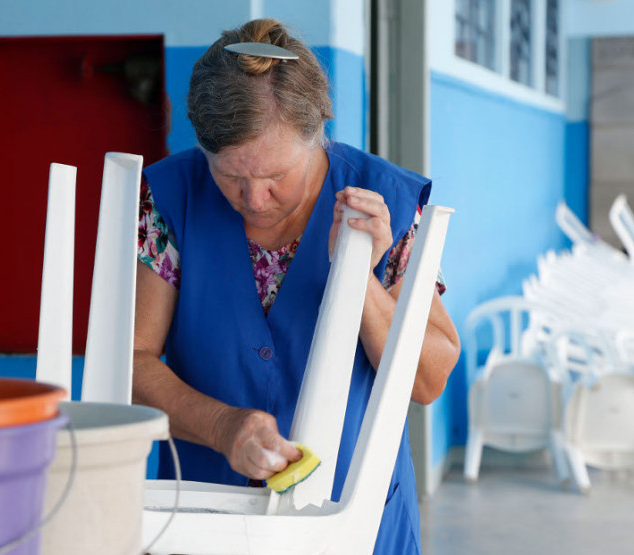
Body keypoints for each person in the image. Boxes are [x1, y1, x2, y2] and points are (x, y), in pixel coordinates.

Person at [133, 18, 460, 554]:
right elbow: (131, 363)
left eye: (275, 176)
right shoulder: (169, 199)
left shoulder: (393, 206)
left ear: (318, 136)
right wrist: (221, 426)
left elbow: (428, 381)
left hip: (355, 519)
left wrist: (362, 278)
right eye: (231, 176)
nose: (254, 198)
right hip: (206, 517)